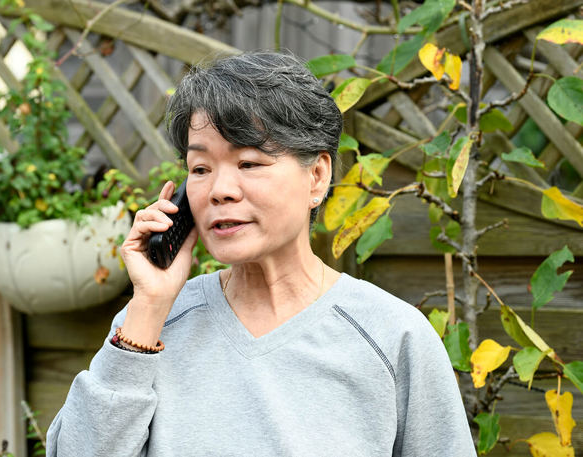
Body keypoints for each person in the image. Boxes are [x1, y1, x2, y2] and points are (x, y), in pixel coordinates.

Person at [45, 51, 477, 457]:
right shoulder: (146, 329)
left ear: (317, 177)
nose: (219, 190)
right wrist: (150, 305)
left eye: (249, 163)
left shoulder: (393, 336)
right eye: (200, 169)